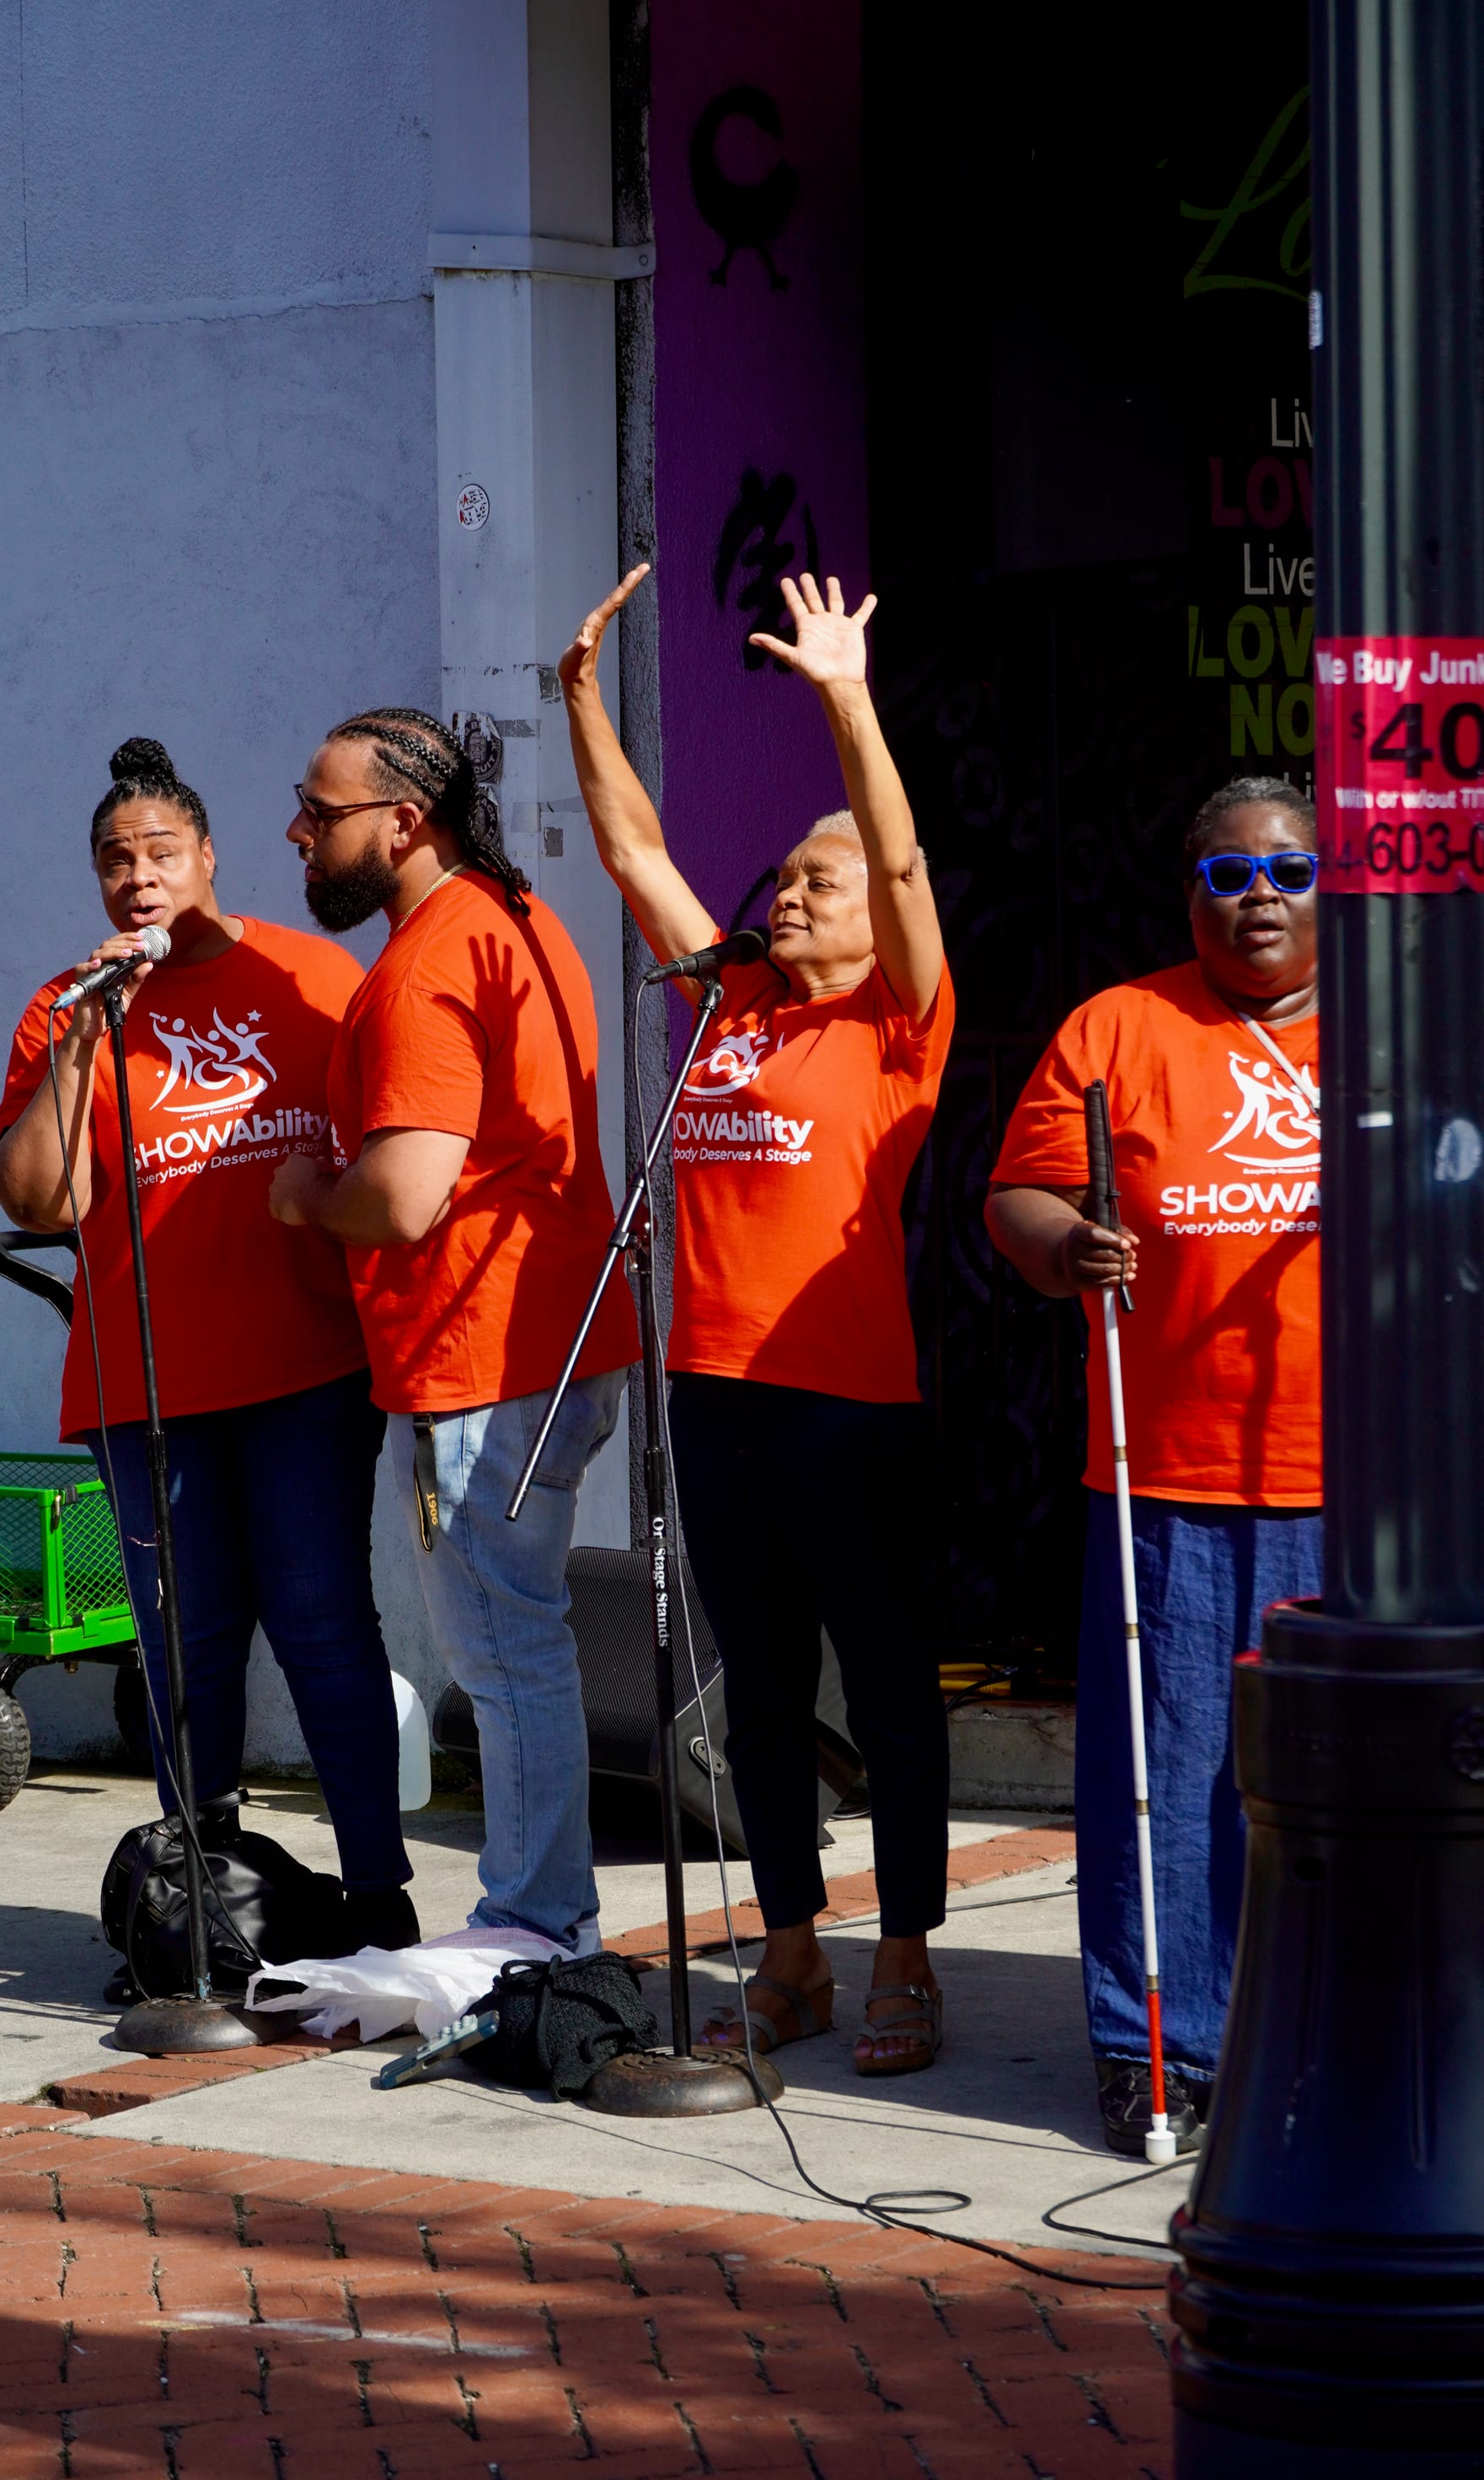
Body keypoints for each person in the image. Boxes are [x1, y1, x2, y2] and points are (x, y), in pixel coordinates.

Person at [559, 566, 956, 2076]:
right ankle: (791, 1948)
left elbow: (906, 873)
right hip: (713, 1396)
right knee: (764, 1695)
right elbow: (633, 849)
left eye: (818, 879)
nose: (787, 889)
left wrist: (844, 699)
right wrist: (578, 698)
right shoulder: (729, 1008)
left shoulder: (897, 1024)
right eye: (784, 874)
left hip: (848, 1406)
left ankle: (905, 1954)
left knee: (893, 1691)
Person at [0, 738, 415, 1988]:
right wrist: (80, 1042)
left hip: (306, 1374)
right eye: (115, 861)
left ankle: (381, 1897)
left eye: (160, 853)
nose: (137, 878)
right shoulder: (69, 1007)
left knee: (327, 1624)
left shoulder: (313, 974)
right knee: (187, 1643)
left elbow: (384, 1140)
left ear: (209, 858)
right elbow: (38, 1193)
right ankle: (203, 1896)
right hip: (150, 1388)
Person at [986, 774, 1321, 2155]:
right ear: (1192, 893)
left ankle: (1325, 2030)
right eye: (1233, 876)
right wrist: (1070, 1249)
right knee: (1169, 1777)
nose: (1262, 899)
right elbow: (1017, 1196)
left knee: (1342, 1782)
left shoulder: (1408, 1028)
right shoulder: (1115, 1030)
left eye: (1291, 873)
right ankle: (1154, 2048)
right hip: (1168, 1468)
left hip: (1370, 1490)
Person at [269, 709, 639, 1954]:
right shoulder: (517, 921)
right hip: (545, 1347)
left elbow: (405, 1194)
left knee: (502, 1651)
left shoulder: (430, 963)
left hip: (479, 1360)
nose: (298, 834)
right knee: (518, 1639)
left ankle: (536, 1926)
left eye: (321, 815)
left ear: (403, 822)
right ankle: (543, 1913)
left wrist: (306, 1193)